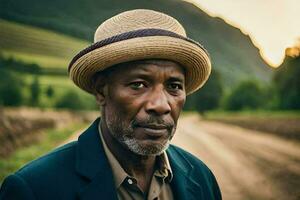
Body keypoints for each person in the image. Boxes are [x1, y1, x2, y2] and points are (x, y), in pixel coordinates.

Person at [0, 9, 222, 200]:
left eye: (174, 86)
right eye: (139, 84)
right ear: (101, 91)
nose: (161, 105)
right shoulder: (35, 189)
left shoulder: (202, 178)